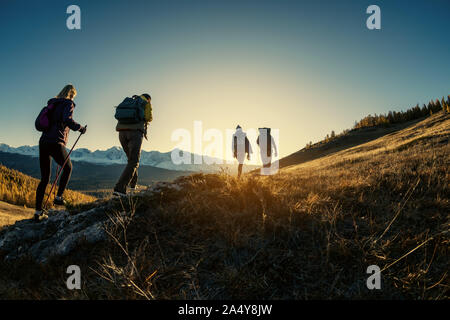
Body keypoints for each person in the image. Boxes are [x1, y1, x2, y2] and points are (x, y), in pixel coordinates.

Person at [35, 84, 87, 221]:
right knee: (68, 167)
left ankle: (38, 212)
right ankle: (58, 197)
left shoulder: (52, 103)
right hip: (56, 141)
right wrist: (80, 128)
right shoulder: (68, 103)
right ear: (71, 94)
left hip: (44, 141)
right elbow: (67, 119)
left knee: (44, 178)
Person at [113, 93, 152, 196]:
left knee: (131, 160)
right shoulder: (146, 103)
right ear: (149, 99)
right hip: (135, 133)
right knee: (134, 161)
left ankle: (133, 184)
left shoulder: (131, 101)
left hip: (122, 133)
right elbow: (149, 117)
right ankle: (119, 189)